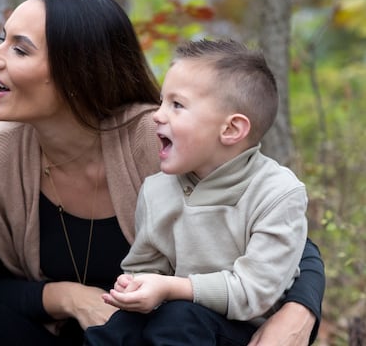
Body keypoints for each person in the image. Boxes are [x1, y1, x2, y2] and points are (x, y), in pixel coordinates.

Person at [0, 0, 325, 346]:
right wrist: (69, 298)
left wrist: (299, 313)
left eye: (20, 49)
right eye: (2, 39)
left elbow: (282, 230)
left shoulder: (162, 139)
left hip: (171, 334)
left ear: (77, 70)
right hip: (67, 336)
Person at [83, 39, 308, 345]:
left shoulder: (277, 192)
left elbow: (255, 292)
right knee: (117, 330)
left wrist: (171, 288)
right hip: (174, 318)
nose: (157, 115)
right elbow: (148, 264)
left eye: (177, 105)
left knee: (180, 319)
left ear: (230, 130)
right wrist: (135, 285)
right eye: (162, 101)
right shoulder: (157, 189)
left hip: (244, 330)